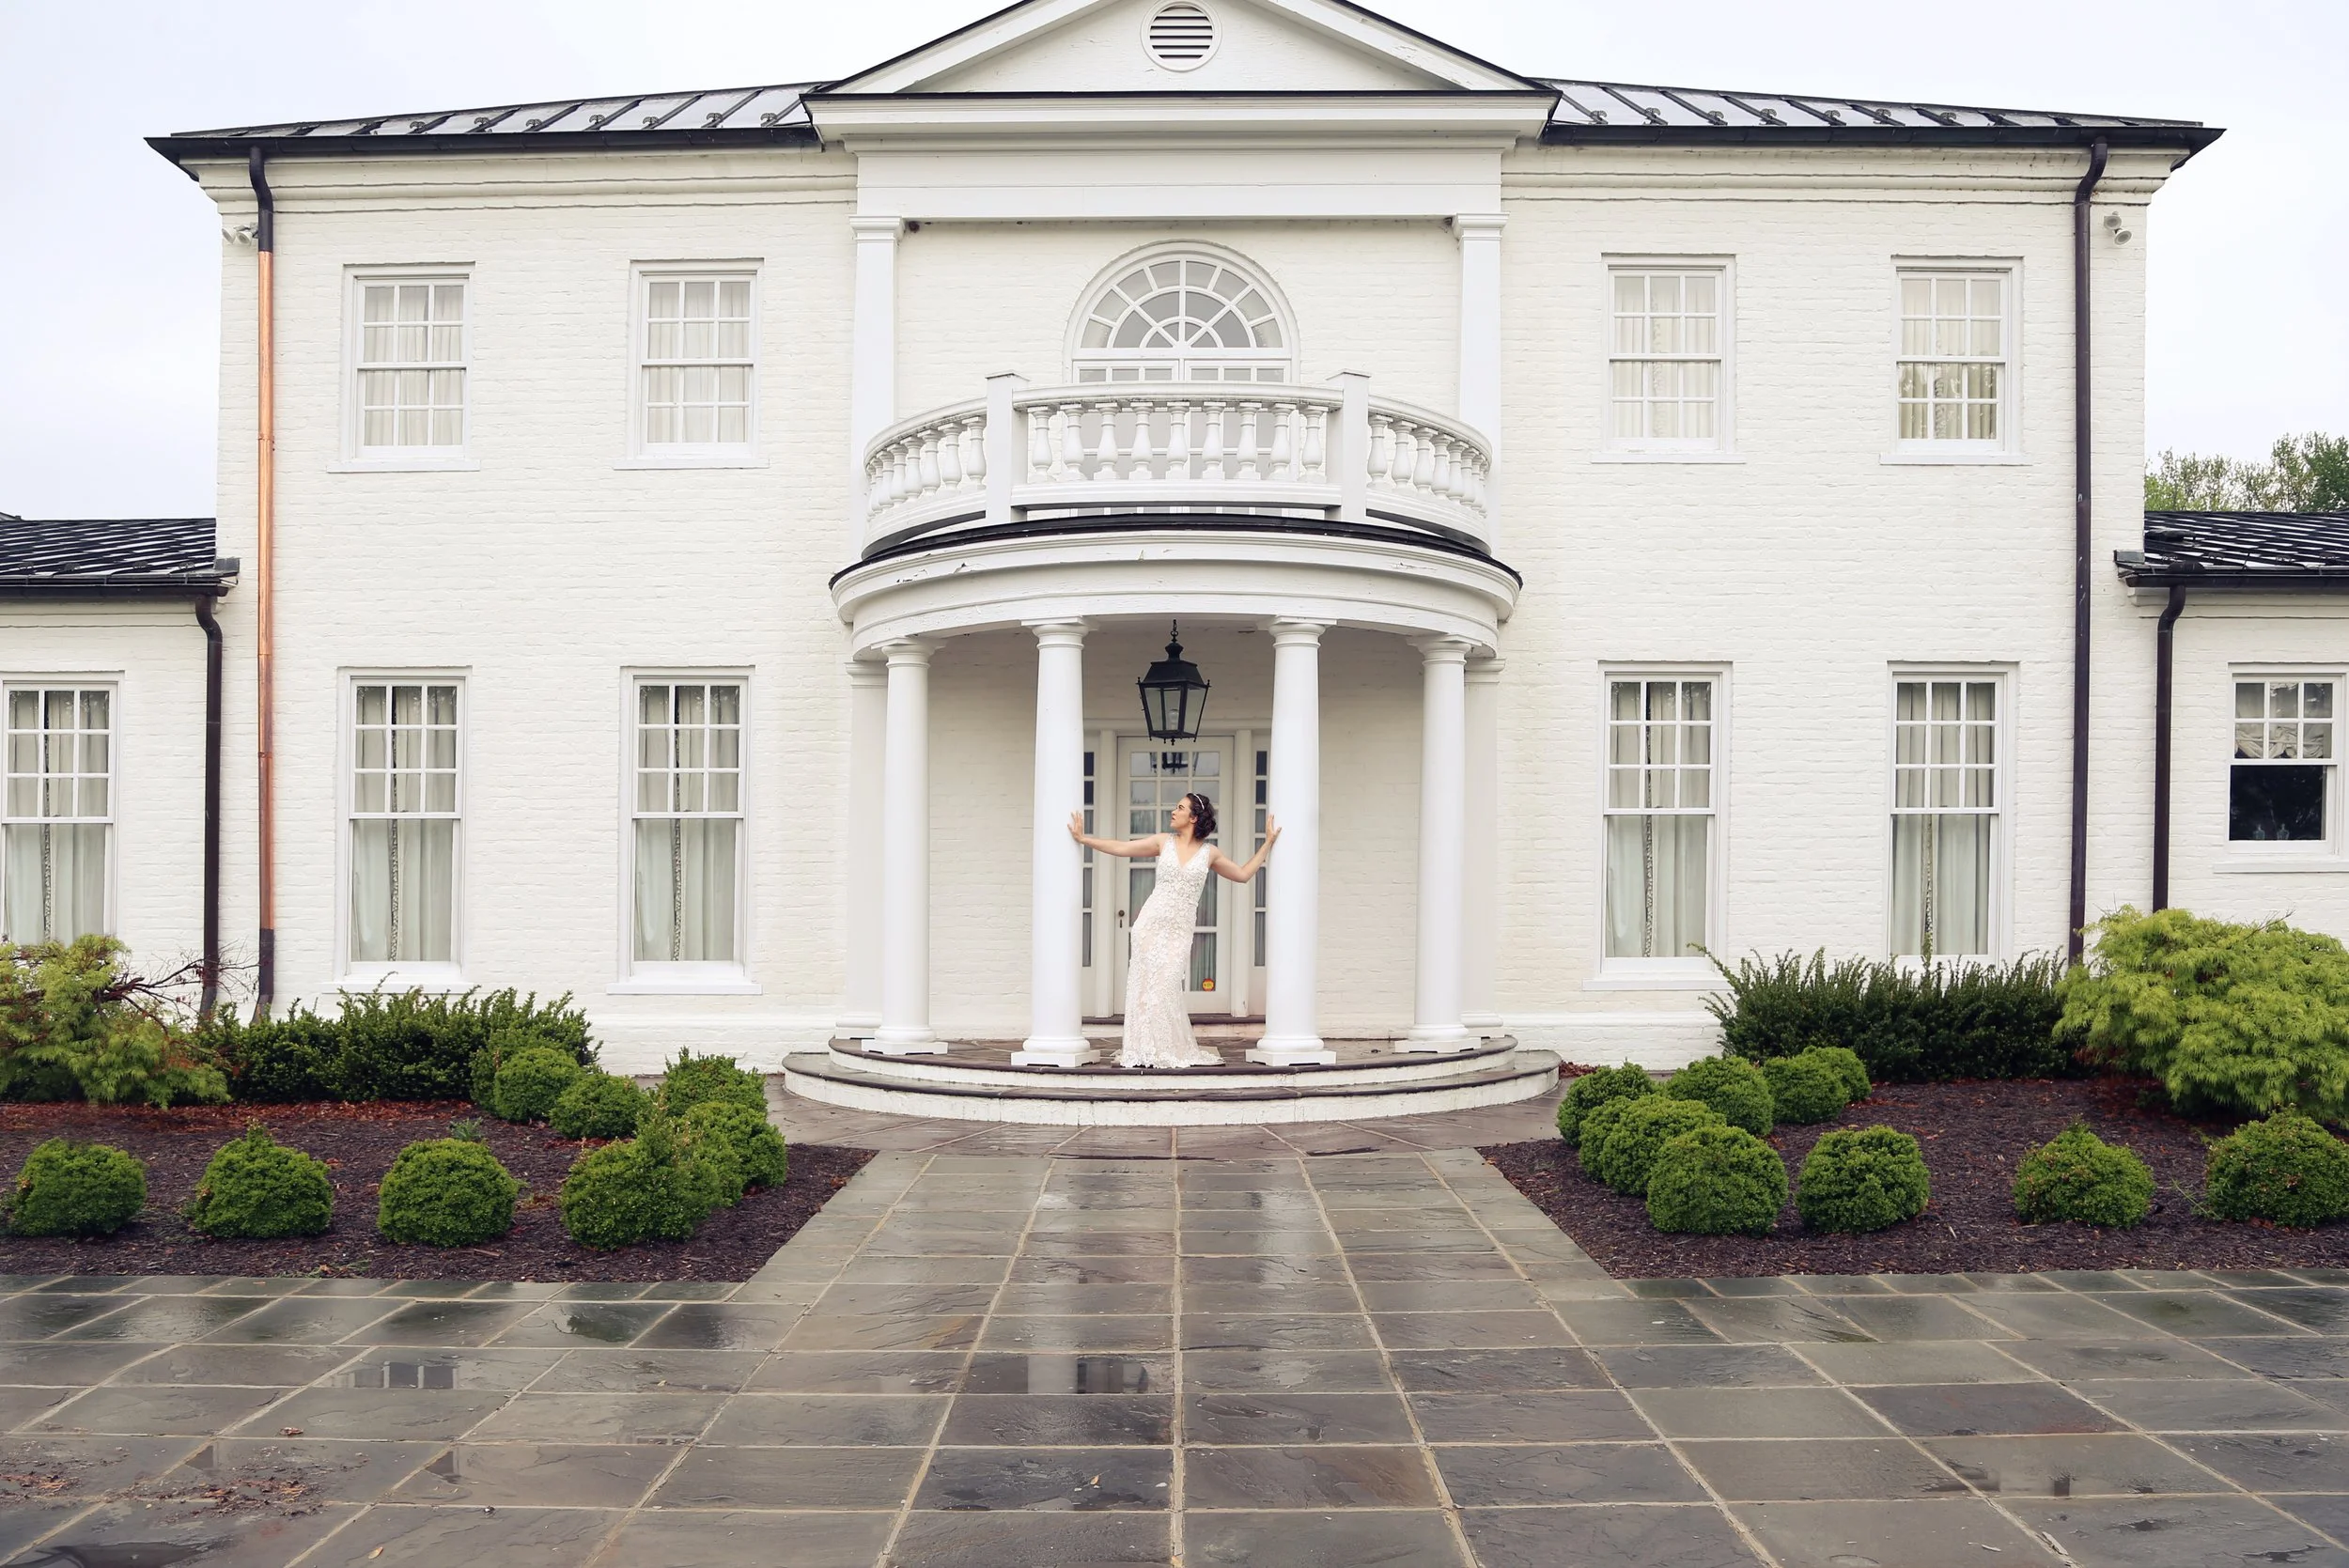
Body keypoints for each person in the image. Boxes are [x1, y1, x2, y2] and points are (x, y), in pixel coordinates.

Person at [1069, 792, 1279, 1068]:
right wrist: (1085, 840)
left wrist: (1267, 844)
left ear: (1193, 817)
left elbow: (1242, 875)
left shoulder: (1209, 853)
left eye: (1179, 808)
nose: (1173, 811)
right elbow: (1122, 847)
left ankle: (1164, 1047)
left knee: (1165, 987)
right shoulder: (1162, 842)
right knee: (1143, 989)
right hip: (1149, 924)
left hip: (1179, 931)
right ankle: (1143, 1049)